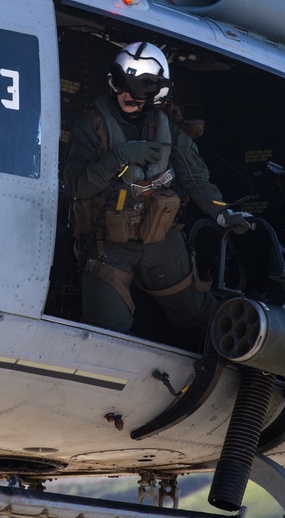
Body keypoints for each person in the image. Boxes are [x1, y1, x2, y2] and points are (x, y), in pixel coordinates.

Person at [64, 42, 252, 344]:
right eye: (122, 86)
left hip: (161, 240)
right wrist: (119, 157)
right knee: (107, 331)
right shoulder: (92, 127)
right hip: (107, 244)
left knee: (200, 314)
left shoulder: (169, 129)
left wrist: (222, 212)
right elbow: (79, 186)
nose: (127, 95)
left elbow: (196, 179)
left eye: (137, 90)